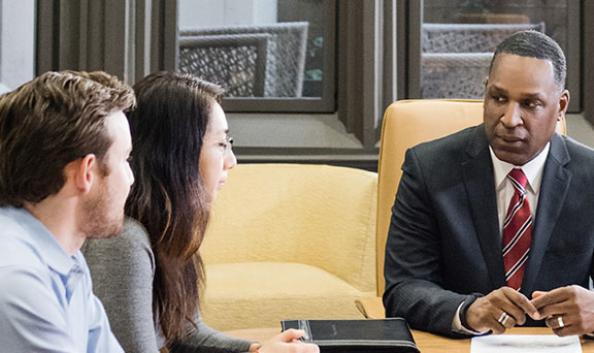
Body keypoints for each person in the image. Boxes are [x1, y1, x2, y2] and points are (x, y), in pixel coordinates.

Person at [83, 71, 319, 353]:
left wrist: (256, 350)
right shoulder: (124, 242)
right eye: (220, 144)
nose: (231, 161)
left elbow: (187, 334)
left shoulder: (167, 226)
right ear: (176, 154)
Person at [383, 30, 594, 338]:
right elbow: (403, 289)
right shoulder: (428, 168)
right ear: (485, 92)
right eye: (498, 98)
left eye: (530, 103)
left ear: (560, 106)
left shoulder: (590, 176)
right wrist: (467, 312)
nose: (510, 119)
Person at [0, 70, 136, 352]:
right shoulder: (16, 279)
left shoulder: (66, 257)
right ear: (86, 172)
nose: (132, 178)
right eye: (125, 159)